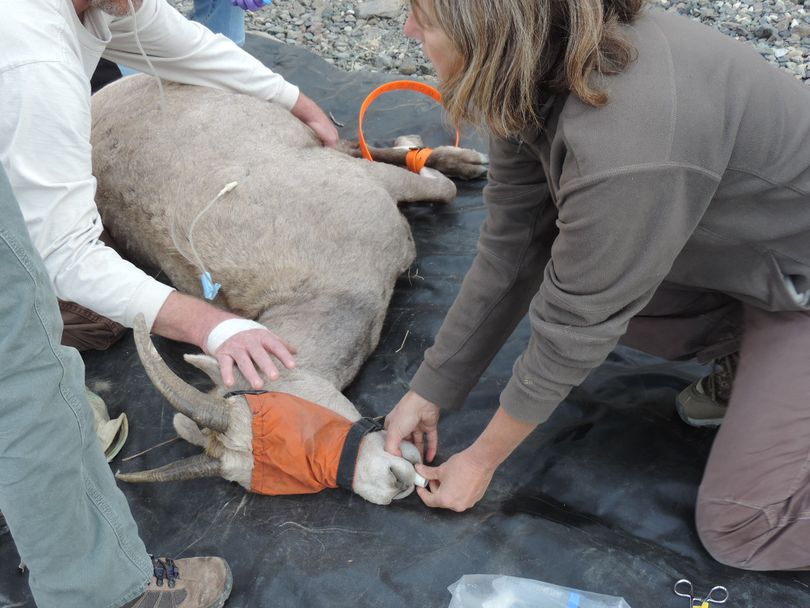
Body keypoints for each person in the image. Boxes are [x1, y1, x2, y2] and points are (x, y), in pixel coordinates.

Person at [383, 0, 810, 572]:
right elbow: (514, 246)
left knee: (743, 528)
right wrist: (431, 387)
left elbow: (577, 324)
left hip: (797, 284)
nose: (408, 29)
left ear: (487, 28)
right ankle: (756, 365)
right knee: (591, 265)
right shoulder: (535, 62)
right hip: (766, 257)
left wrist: (481, 461)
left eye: (424, 19)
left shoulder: (631, 139)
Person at [0, 0, 337, 605]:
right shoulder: (32, 58)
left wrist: (294, 101)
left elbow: (171, 36)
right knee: (31, 390)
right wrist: (211, 324)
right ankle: (101, 590)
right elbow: (63, 253)